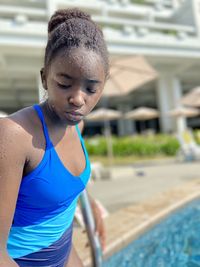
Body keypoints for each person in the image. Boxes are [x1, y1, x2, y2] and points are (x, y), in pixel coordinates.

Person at [0, 8, 109, 267]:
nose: (78, 98)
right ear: (44, 78)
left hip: (64, 253)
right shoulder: (15, 136)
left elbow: (52, 185)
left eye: (91, 88)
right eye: (64, 84)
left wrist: (88, 203)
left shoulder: (77, 127)